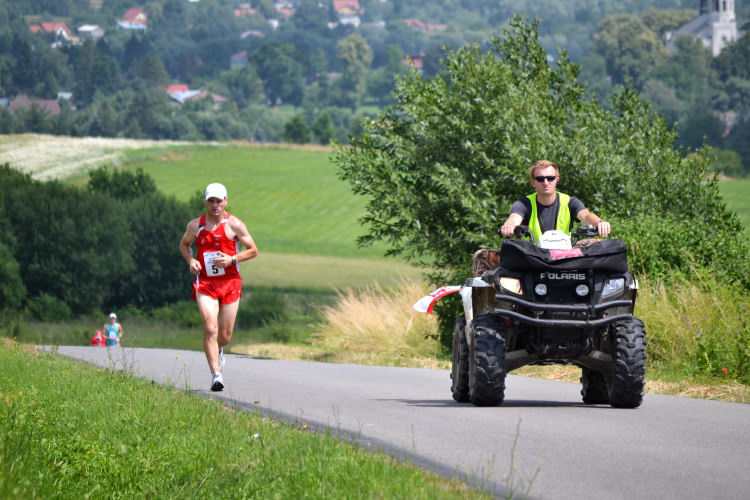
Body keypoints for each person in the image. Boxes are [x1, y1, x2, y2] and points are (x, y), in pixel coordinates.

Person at [179, 182, 259, 392]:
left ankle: (219, 348)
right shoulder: (195, 226)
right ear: (206, 202)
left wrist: (232, 259)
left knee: (225, 336)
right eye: (211, 201)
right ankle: (216, 374)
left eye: (219, 201)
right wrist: (191, 261)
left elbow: (253, 250)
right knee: (210, 327)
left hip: (230, 282)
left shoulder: (235, 225)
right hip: (206, 282)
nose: (215, 205)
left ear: (226, 201)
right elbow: (184, 245)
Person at [473, 160, 610, 276]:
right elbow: (515, 217)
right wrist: (509, 225)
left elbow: (585, 215)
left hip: (566, 254)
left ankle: (602, 296)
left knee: (600, 245)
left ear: (557, 180)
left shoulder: (569, 201)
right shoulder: (524, 203)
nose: (546, 182)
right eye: (540, 179)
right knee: (481, 255)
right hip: (533, 256)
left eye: (550, 178)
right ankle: (493, 303)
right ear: (533, 182)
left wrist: (599, 223)